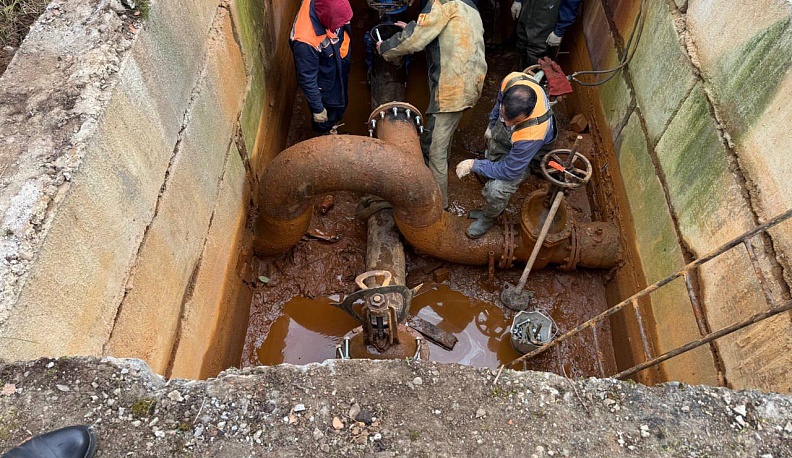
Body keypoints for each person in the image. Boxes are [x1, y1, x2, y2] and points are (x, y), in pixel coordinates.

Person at [376, 0, 487, 210]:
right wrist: (411, 27)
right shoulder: (469, 4)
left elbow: (415, 42)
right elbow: (439, 28)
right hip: (472, 82)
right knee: (444, 134)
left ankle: (436, 208)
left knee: (433, 148)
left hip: (452, 88)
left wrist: (386, 48)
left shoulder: (440, 3)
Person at [455, 71, 556, 238]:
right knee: (495, 138)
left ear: (528, 114)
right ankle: (489, 172)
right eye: (505, 116)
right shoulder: (511, 80)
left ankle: (489, 217)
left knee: (496, 190)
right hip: (518, 132)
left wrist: (474, 164)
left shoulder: (532, 134)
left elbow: (510, 170)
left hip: (530, 154)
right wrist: (493, 122)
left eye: (514, 122)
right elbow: (499, 103)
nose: (507, 124)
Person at [290, 0, 353, 134]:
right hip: (326, 83)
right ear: (327, 17)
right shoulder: (305, 42)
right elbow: (307, 78)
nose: (345, 24)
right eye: (339, 22)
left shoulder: (329, 7)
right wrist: (318, 108)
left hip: (337, 57)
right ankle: (325, 133)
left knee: (342, 101)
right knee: (330, 114)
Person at [511, 0, 581, 67]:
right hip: (527, 9)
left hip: (547, 17)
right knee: (521, 44)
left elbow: (571, 3)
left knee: (537, 54)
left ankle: (534, 77)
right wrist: (518, 1)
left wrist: (559, 31)